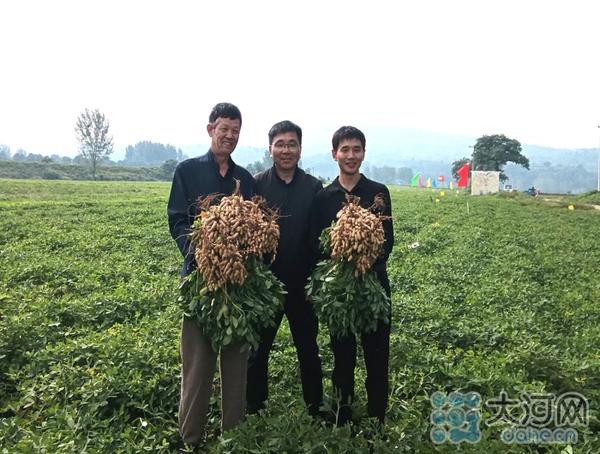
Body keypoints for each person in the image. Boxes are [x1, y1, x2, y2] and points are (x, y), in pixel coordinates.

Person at [167, 102, 254, 448]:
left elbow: (252, 227)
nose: (229, 135)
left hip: (237, 284)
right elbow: (177, 220)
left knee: (236, 364)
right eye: (224, 129)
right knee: (197, 365)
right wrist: (203, 254)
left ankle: (231, 436)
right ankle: (190, 438)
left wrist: (238, 255)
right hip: (199, 281)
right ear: (210, 130)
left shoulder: (244, 179)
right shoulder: (187, 171)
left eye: (235, 130)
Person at [309, 125, 394, 426]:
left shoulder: (377, 192)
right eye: (344, 149)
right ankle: (341, 416)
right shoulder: (324, 197)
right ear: (334, 154)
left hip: (374, 289)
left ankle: (376, 418)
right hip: (340, 294)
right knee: (342, 358)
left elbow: (388, 242)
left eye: (356, 149)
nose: (351, 155)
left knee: (377, 357)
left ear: (363, 153)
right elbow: (317, 245)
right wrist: (341, 262)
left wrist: (363, 259)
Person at [246, 120, 324, 416]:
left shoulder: (313, 187)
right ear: (270, 149)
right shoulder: (256, 185)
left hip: (302, 285)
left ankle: (315, 407)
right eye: (280, 144)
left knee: (308, 350)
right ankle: (254, 406)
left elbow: (318, 238)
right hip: (266, 285)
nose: (286, 150)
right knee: (258, 351)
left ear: (300, 149)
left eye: (292, 144)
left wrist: (315, 284)